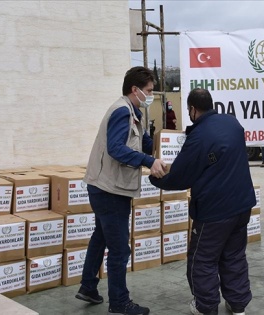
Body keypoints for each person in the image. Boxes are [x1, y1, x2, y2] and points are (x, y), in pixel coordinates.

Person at [150, 88, 256, 314]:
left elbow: (180, 176)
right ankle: (238, 306)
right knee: (234, 256)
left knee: (203, 260)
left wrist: (155, 178)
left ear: (192, 109)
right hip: (242, 205)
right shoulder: (232, 123)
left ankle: (205, 306)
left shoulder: (198, 136)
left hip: (214, 212)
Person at [77, 66, 167, 315]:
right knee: (119, 249)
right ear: (134, 89)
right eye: (148, 91)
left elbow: (145, 143)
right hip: (110, 190)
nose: (151, 95)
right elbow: (116, 148)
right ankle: (119, 303)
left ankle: (87, 286)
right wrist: (149, 162)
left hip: (106, 186)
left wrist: (167, 145)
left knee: (101, 236)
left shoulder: (133, 111)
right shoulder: (121, 112)